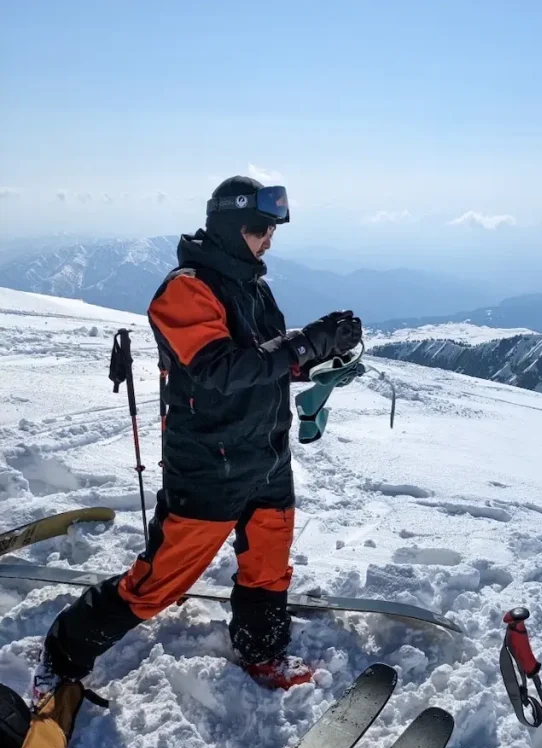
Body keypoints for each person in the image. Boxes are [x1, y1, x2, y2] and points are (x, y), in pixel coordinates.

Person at [31, 176, 361, 716]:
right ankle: (62, 653)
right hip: (210, 465)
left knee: (268, 566)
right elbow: (219, 371)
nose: (268, 240)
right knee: (159, 584)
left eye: (272, 230)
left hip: (266, 457)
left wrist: (320, 358)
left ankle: (261, 651)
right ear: (230, 226)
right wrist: (305, 341)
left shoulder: (253, 286)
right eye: (259, 228)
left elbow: (265, 366)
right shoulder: (185, 290)